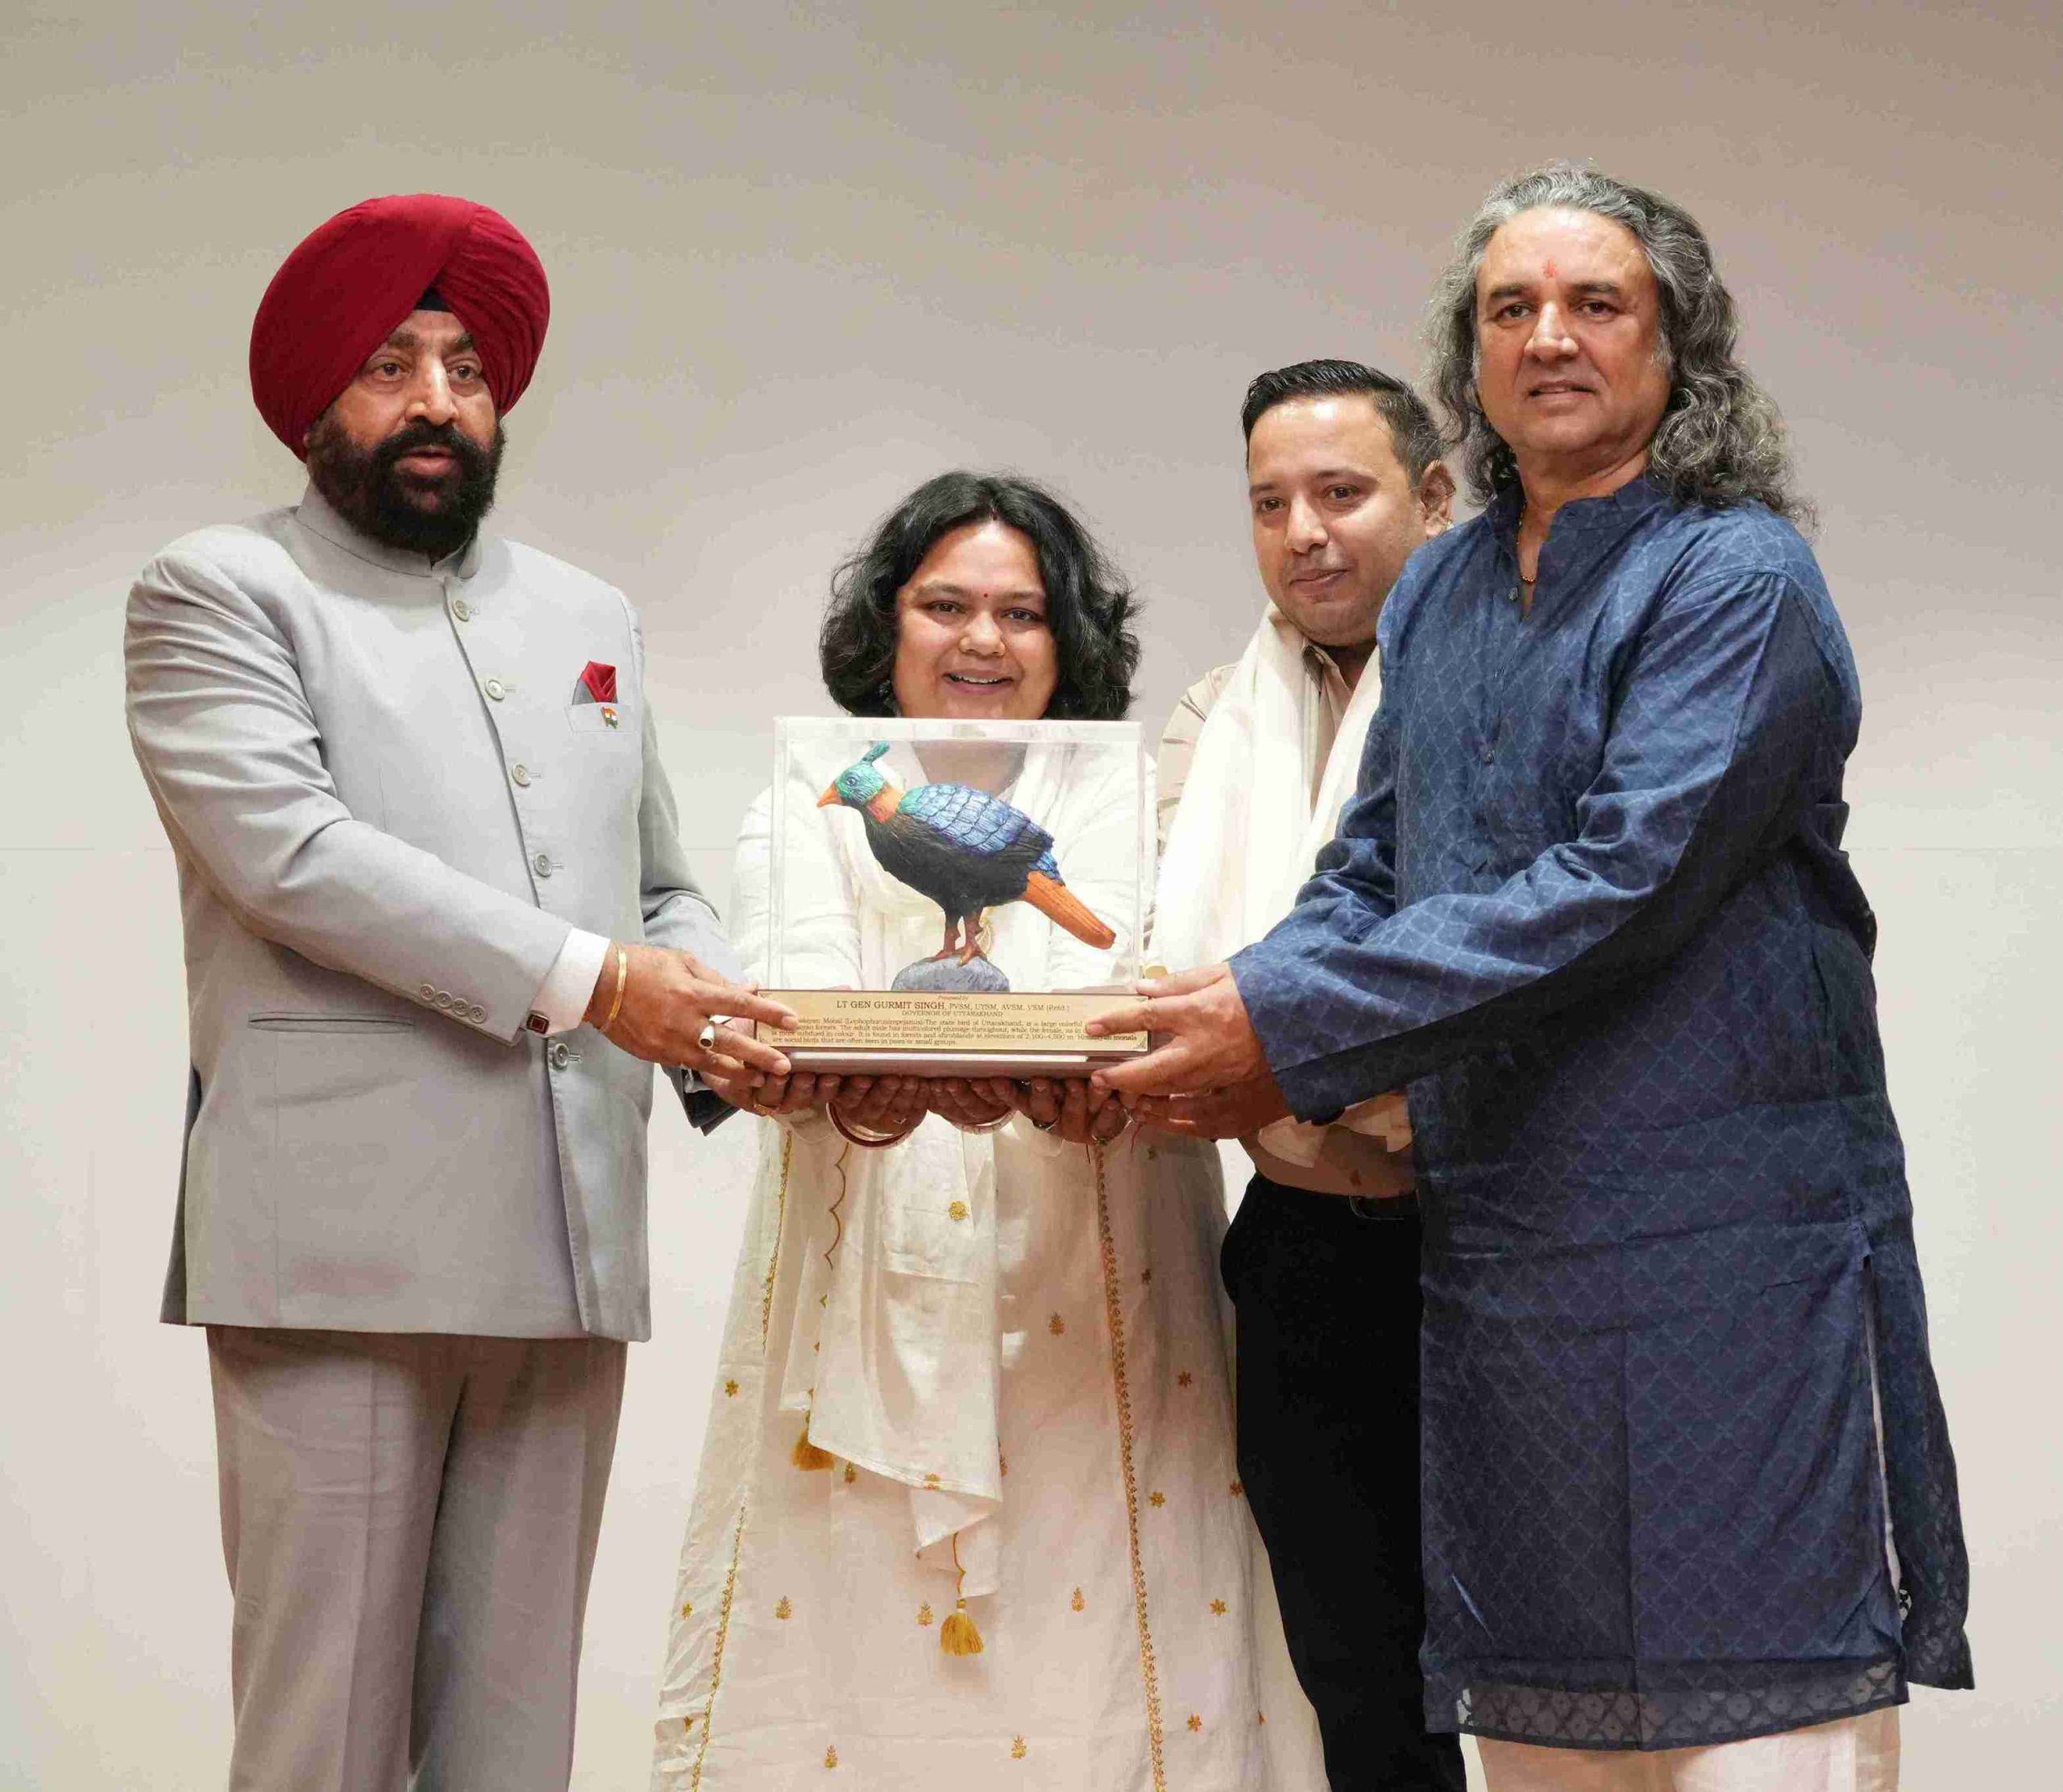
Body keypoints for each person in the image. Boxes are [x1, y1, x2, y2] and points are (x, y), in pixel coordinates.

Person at [1097, 164, 1973, 1790]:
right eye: (1511, 308)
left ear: (1677, 344)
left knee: (1753, 1719)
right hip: (1507, 1259)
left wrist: (1277, 1024)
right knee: (1535, 1730)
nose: (1549, 337)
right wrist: (1225, 1010)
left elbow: (1622, 885)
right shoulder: (1440, 585)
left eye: (1595, 303)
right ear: (1471, 355)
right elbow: (1370, 860)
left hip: (1723, 1259)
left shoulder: (1732, 578)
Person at [124, 193, 793, 1791]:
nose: (437, 400)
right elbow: (292, 855)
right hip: (335, 1255)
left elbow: (652, 883)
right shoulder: (219, 590)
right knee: (325, 1741)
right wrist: (607, 985)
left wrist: (727, 1017)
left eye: (468, 368)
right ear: (315, 398)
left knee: (514, 1746)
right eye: (390, 365)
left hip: (569, 1243)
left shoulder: (588, 615)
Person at [650, 472, 1323, 1790]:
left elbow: (1153, 992)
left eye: (1022, 614)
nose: (982, 641)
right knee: (846, 1652)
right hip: (854, 1282)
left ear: (1067, 641)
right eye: (944, 606)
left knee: (1099, 1646)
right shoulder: (806, 801)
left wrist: (1107, 1084)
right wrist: (823, 1081)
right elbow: (792, 1001)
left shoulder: (1143, 802)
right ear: (886, 626)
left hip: (1104, 1277)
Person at [1152, 359, 1463, 1790]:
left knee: (1543, 1676)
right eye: (1271, 503)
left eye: (1342, 493)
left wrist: (1301, 1053)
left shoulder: (1508, 689)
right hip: (1300, 1250)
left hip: (1488, 1243)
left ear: (1436, 497)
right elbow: (1169, 971)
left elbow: (1513, 968)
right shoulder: (1212, 716)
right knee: (1354, 1680)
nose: (1304, 533)